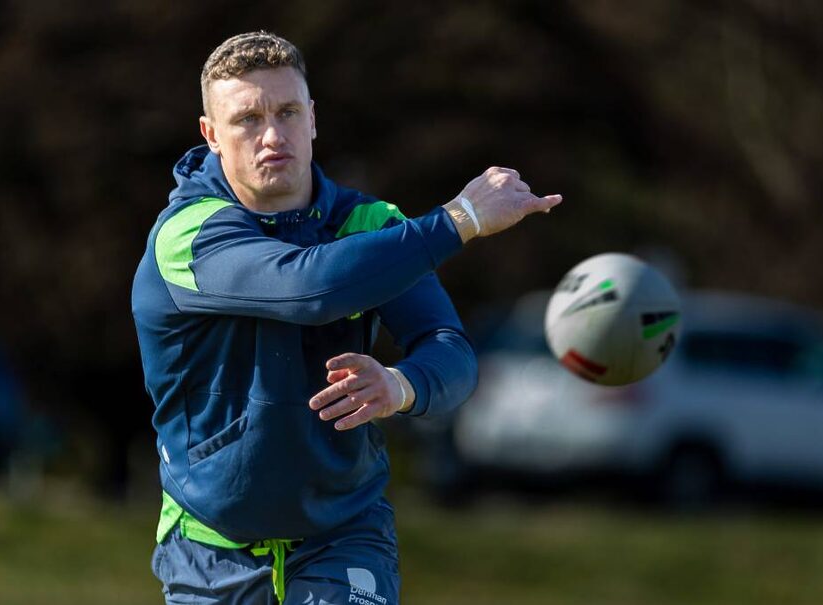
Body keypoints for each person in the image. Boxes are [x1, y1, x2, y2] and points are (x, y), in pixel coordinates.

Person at [131, 31, 561, 605]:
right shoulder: (187, 235)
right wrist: (461, 219)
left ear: (313, 119)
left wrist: (401, 385)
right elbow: (307, 286)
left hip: (344, 534)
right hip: (209, 547)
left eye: (287, 112)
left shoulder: (370, 225)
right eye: (247, 119)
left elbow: (450, 350)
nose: (271, 135)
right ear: (211, 136)